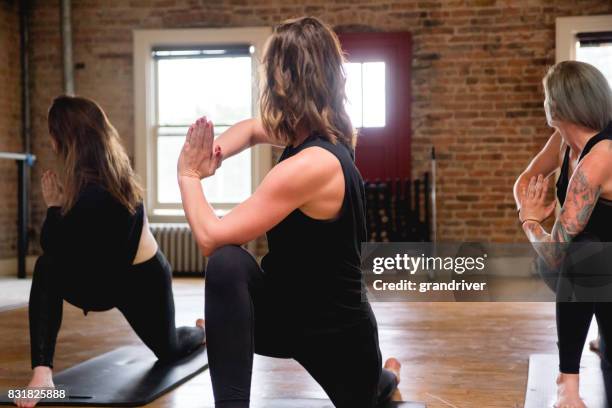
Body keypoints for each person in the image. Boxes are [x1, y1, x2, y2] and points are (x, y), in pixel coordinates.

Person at [177, 16, 400, 408]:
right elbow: (249, 128)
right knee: (229, 266)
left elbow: (210, 236)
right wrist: (215, 155)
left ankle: (386, 376)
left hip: (337, 338)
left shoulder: (311, 165)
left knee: (373, 389)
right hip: (282, 318)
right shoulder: (316, 133)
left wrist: (188, 175)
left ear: (283, 82)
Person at [17, 96, 205, 408]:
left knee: (169, 350)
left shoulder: (110, 189)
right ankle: (42, 373)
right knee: (46, 267)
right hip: (103, 276)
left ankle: (202, 332)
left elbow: (69, 247)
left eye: (52, 132)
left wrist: (54, 209)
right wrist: (61, 217)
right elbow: (63, 251)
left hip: (140, 280)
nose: (49, 140)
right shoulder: (81, 181)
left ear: (65, 138)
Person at [514, 61, 612, 408]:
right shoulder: (563, 140)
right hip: (582, 264)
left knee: (586, 255)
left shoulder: (600, 157)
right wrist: (527, 210)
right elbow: (524, 181)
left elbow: (555, 248)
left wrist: (530, 223)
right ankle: (566, 383)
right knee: (585, 253)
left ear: (554, 106)